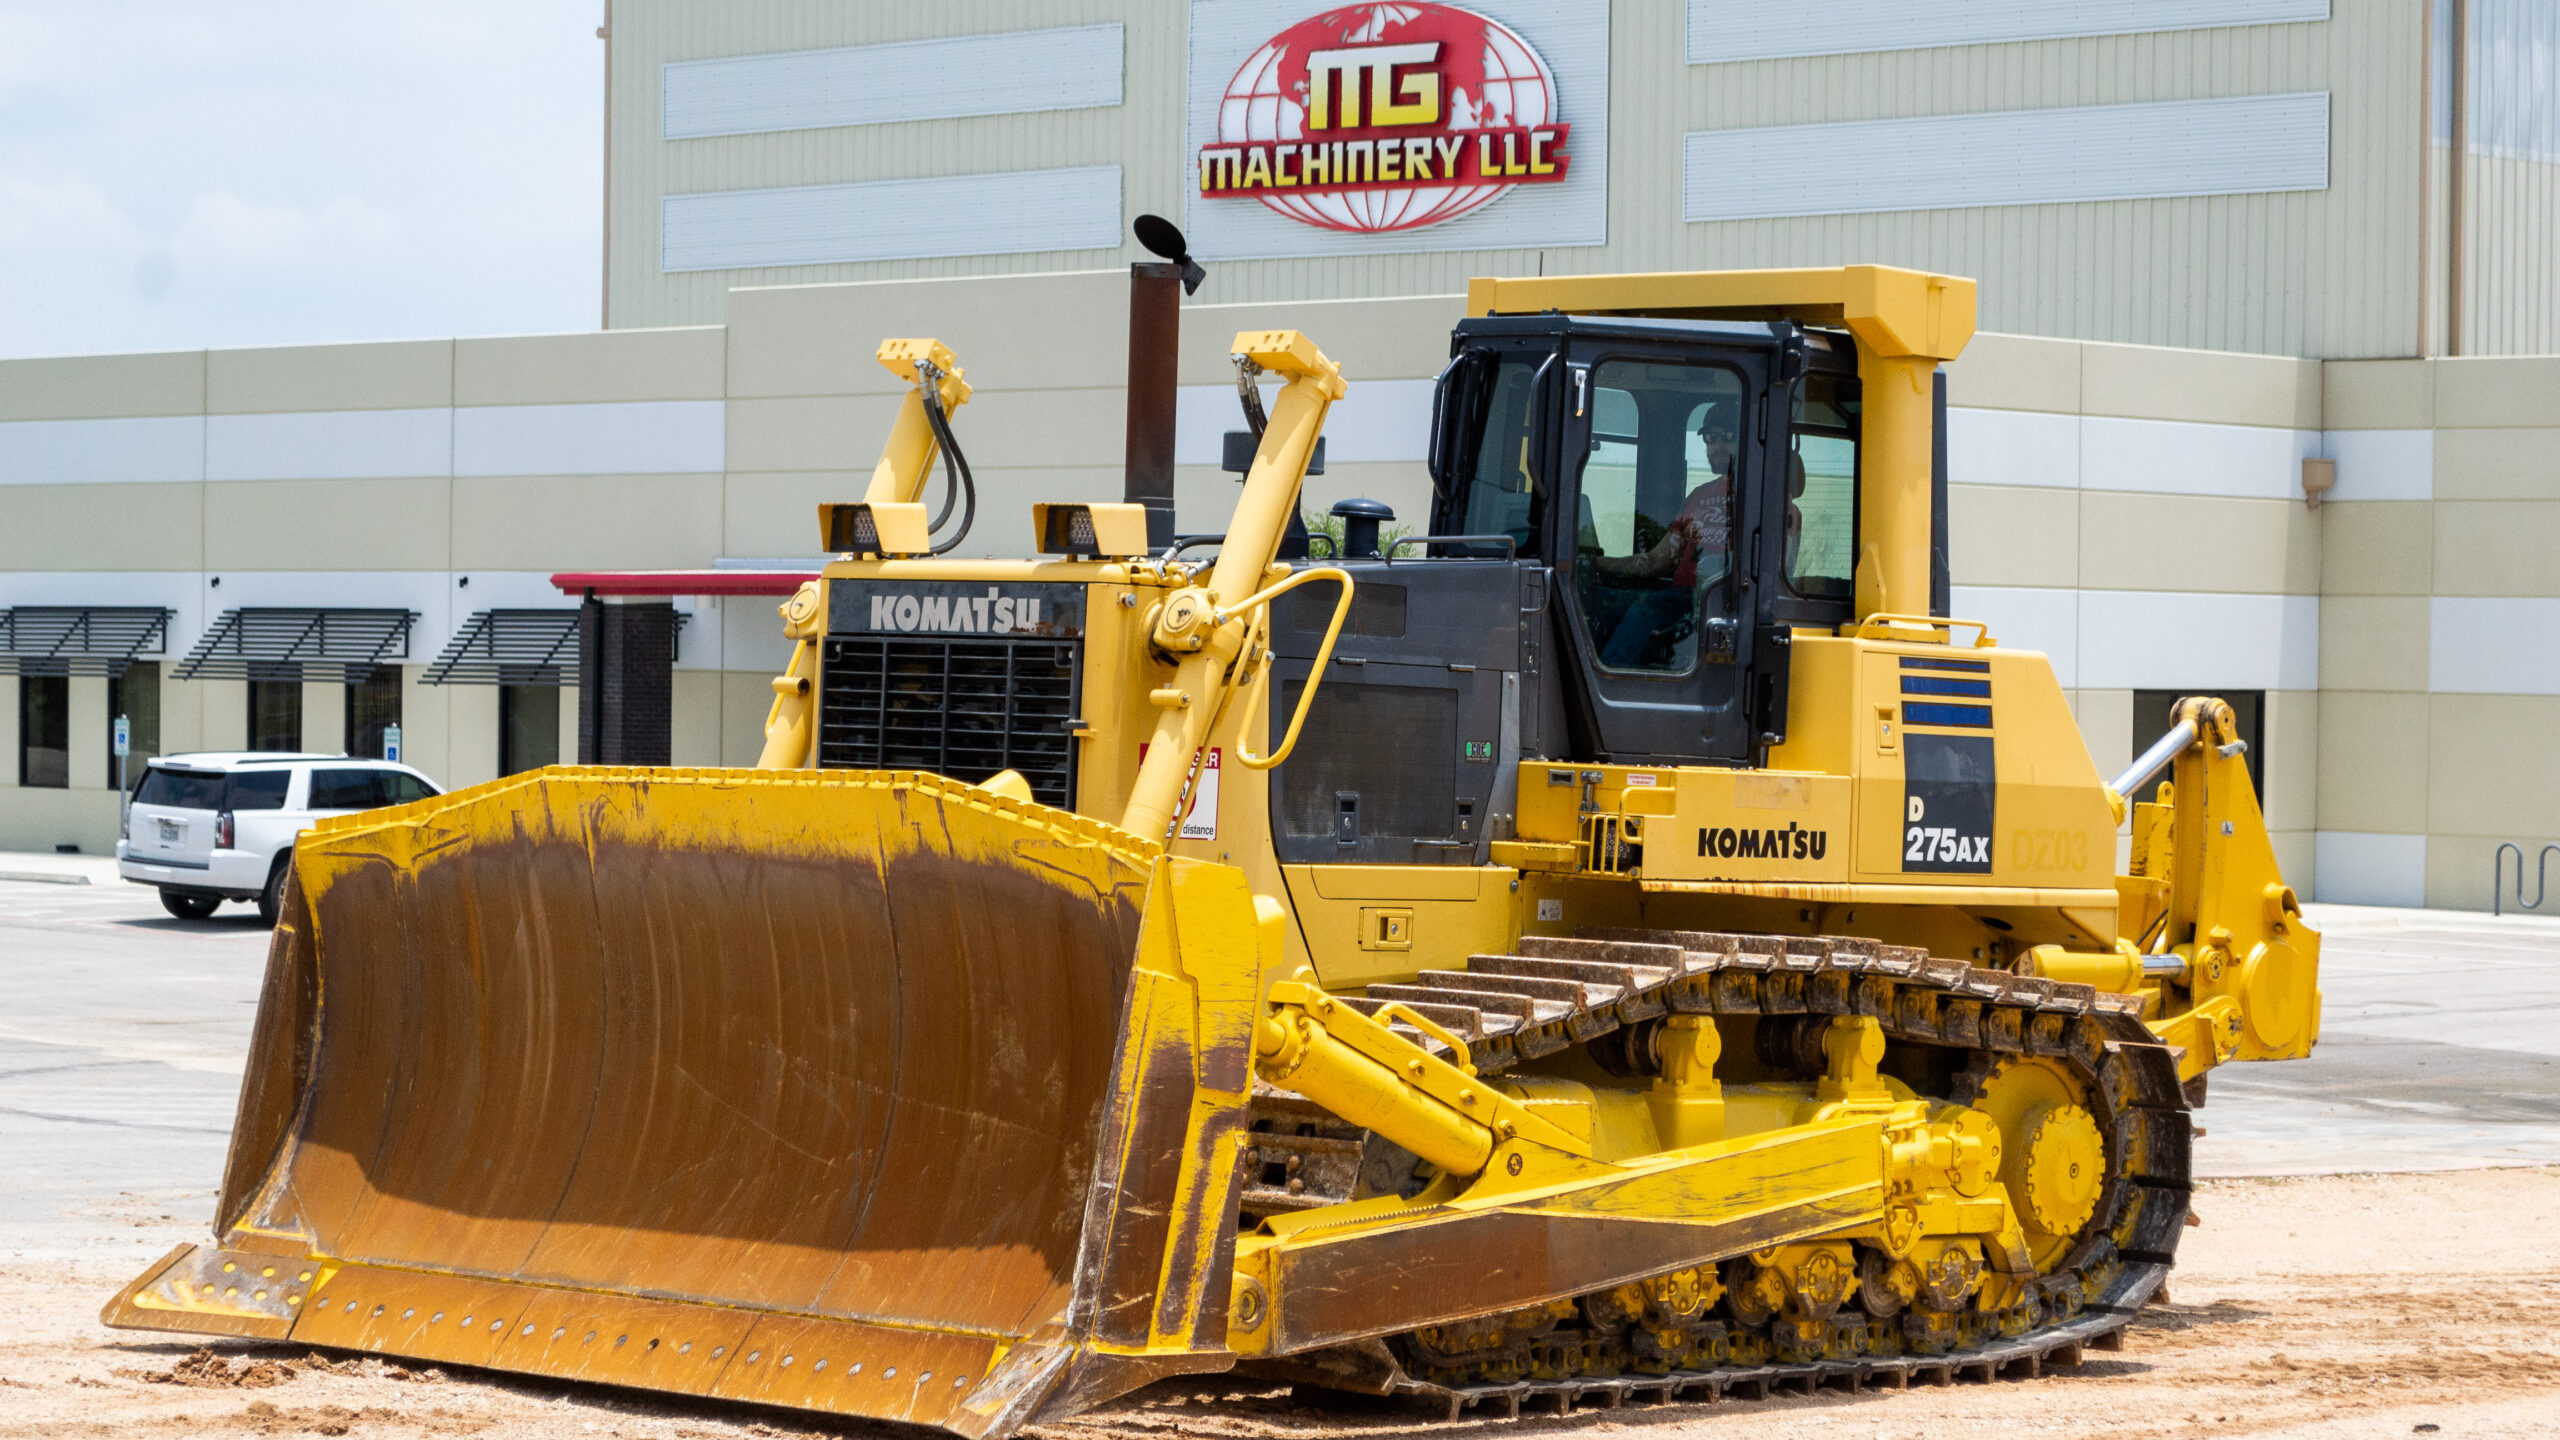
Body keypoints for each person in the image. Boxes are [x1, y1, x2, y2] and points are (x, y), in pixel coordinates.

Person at [1589, 405, 1738, 668]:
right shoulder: (1699, 496)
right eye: (1710, 437)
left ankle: (1605, 679)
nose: (1716, 445)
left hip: (1712, 601)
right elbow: (1656, 562)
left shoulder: (1764, 503)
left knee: (1645, 607)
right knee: (1596, 600)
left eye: (1726, 435)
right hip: (1675, 599)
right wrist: (1594, 564)